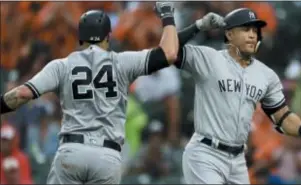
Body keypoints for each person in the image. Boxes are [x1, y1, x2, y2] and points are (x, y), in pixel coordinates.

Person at [0, 2, 179, 184]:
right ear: (108, 37)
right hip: (107, 155)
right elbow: (169, 53)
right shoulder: (123, 62)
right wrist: (168, 16)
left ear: (79, 38)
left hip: (72, 150)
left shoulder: (62, 65)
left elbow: (22, 94)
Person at [170, 8, 301, 184]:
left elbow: (282, 116)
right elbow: (170, 50)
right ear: (229, 34)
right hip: (207, 152)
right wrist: (197, 26)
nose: (252, 35)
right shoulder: (209, 59)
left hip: (238, 159)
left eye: (254, 30)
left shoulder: (266, 75)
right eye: (245, 29)